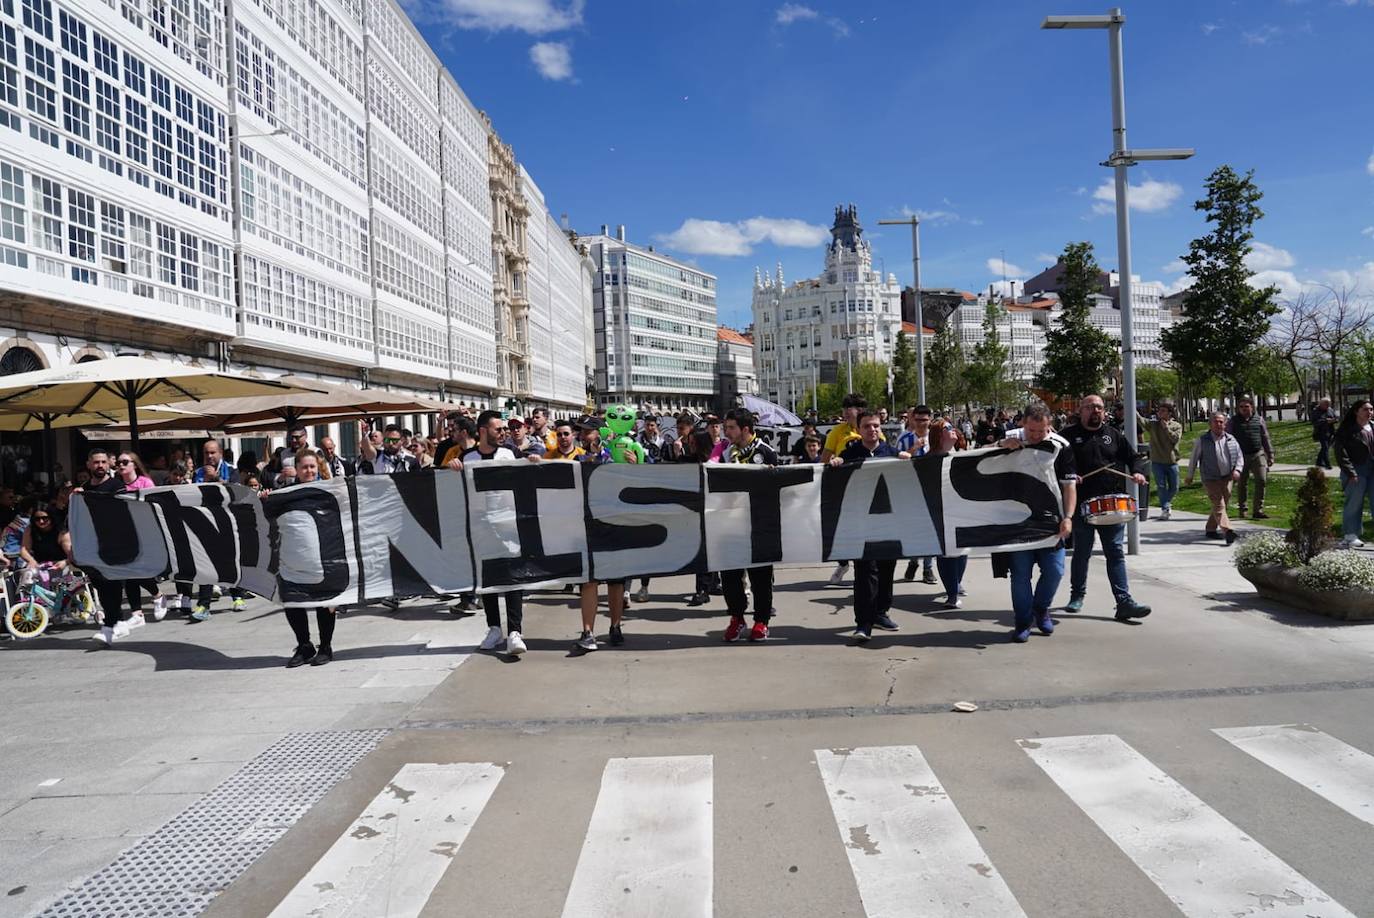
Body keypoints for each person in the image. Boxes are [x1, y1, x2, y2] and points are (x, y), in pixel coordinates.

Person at [449, 410, 535, 656]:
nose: (504, 433)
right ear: (484, 431)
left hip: (508, 527)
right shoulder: (467, 457)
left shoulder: (509, 453)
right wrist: (452, 468)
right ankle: (494, 628)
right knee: (489, 580)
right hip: (480, 528)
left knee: (512, 579)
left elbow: (525, 473)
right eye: (499, 429)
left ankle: (515, 631)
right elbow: (452, 488)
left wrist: (533, 465)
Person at [1061, 395, 1152, 621]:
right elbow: (1055, 463)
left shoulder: (1114, 435)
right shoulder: (1067, 437)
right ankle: (1077, 596)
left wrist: (1137, 471)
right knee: (1082, 551)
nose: (1095, 411)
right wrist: (1070, 477)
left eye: (1099, 408)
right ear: (1080, 410)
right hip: (1081, 503)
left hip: (1111, 503)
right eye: (1090, 407)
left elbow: (1134, 457)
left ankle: (1124, 601)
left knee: (1115, 552)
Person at [997, 405, 1077, 642]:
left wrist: (1068, 517)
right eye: (1032, 430)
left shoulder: (1060, 446)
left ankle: (1041, 608)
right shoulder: (1010, 439)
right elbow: (981, 459)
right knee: (1020, 575)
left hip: (1050, 521)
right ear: (1023, 424)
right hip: (1015, 522)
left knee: (1055, 570)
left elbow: (1069, 485)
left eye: (1041, 431)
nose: (1036, 436)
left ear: (1049, 425)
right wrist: (1001, 446)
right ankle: (1022, 622)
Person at [830, 410, 912, 640]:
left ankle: (881, 613)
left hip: (889, 521)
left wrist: (906, 460)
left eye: (876, 425)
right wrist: (837, 462)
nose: (872, 429)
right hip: (860, 524)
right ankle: (863, 623)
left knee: (887, 568)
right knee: (865, 572)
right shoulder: (851, 453)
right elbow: (833, 472)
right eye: (867, 426)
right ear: (859, 429)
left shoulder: (892, 452)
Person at [269, 452, 340, 667]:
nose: (309, 471)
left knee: (325, 603)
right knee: (292, 602)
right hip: (293, 560)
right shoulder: (285, 494)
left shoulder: (331, 491)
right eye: (304, 467)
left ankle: (325, 647)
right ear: (296, 470)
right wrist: (265, 498)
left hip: (325, 557)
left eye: (312, 467)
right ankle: (304, 645)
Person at [713, 408, 777, 642]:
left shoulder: (765, 452)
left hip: (759, 523)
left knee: (760, 575)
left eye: (730, 427)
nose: (726, 432)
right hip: (731, 523)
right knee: (729, 573)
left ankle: (761, 621)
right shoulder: (726, 453)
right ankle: (737, 617)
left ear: (745, 429)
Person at [572, 414, 630, 653]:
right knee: (589, 580)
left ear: (600, 433)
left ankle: (615, 626)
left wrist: (633, 464)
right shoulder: (577, 457)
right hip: (585, 524)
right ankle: (588, 632)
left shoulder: (616, 454)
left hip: (613, 522)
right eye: (582, 432)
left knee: (616, 581)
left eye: (588, 431)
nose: (583, 435)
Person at [822, 393, 866, 585]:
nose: (846, 412)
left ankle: (862, 570)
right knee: (838, 528)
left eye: (851, 407)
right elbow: (825, 457)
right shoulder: (837, 431)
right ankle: (842, 562)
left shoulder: (870, 430)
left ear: (861, 410)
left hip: (864, 488)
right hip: (841, 487)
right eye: (845, 408)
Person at [927, 418, 970, 608]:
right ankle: (952, 593)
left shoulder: (963, 455)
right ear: (938, 434)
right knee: (945, 552)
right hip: (939, 513)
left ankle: (955, 583)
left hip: (962, 512)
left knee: (961, 552)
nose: (953, 430)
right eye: (947, 428)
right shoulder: (927, 460)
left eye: (952, 427)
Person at [1184, 412, 1243, 545]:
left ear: (1225, 424)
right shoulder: (1202, 440)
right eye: (1216, 421)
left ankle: (1211, 529)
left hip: (1227, 477)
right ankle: (1228, 531)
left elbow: (1239, 456)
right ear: (1210, 424)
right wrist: (1189, 475)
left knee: (1222, 504)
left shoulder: (1231, 439)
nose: (1218, 424)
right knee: (1219, 504)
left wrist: (1238, 470)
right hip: (1210, 478)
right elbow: (1194, 458)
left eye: (1221, 422)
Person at [897, 405, 937, 584]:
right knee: (914, 531)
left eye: (925, 420)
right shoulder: (904, 438)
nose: (921, 424)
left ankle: (928, 568)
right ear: (912, 420)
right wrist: (913, 449)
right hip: (911, 491)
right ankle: (913, 561)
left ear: (930, 420)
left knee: (931, 530)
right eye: (918, 420)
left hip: (932, 489)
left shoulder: (937, 438)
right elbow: (896, 462)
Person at [1333, 399, 1374, 548]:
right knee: (1354, 503)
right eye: (1365, 409)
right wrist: (1350, 472)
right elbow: (1340, 452)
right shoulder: (1347, 430)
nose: (1369, 412)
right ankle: (1350, 535)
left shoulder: (1373, 427)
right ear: (1356, 411)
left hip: (1372, 471)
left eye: (1371, 409)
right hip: (1356, 471)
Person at [1227, 397, 1273, 519]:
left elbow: (1265, 437)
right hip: (1240, 456)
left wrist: (1270, 454)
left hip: (1257, 454)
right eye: (1241, 407)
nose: (1243, 409)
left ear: (1252, 407)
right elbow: (1228, 438)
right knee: (1242, 483)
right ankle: (1243, 510)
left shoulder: (1259, 420)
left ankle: (1258, 510)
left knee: (1262, 480)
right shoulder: (1233, 421)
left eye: (1246, 406)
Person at [1138, 402, 1182, 520]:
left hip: (1172, 461)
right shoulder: (1153, 425)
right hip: (1157, 461)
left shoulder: (1176, 426)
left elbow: (1175, 439)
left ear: (1169, 413)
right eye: (1159, 411)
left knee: (1174, 487)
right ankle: (1165, 508)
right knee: (1161, 486)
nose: (1159, 413)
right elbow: (1141, 420)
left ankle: (1166, 504)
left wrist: (1166, 427)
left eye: (1163, 411)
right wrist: (1132, 408)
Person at [18, 502, 71, 569]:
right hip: (39, 566)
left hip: (60, 567)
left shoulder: (62, 532)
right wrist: (31, 561)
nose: (41, 521)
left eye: (44, 518)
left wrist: (65, 562)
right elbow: (24, 549)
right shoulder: (30, 529)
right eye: (37, 519)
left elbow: (72, 555)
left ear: (51, 517)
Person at [1312, 397, 1336, 469]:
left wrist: (1333, 420)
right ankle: (1327, 464)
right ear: (1321, 404)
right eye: (1326, 404)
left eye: (1328, 404)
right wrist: (1326, 421)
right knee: (1325, 447)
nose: (1327, 406)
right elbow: (1315, 422)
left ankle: (1319, 462)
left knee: (1325, 448)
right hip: (1321, 432)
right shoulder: (1316, 411)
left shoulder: (1330, 410)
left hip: (1330, 431)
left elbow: (1335, 418)